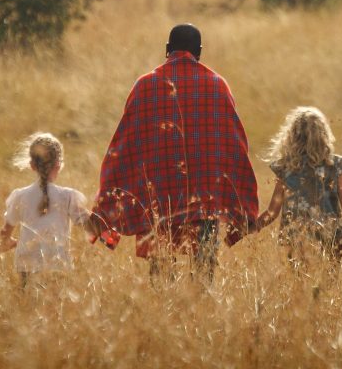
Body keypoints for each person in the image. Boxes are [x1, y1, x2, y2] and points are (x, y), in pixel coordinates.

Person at [90, 24, 258, 282]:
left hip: (159, 199)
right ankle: (201, 313)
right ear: (199, 52)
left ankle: (163, 317)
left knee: (161, 271)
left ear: (167, 50)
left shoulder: (145, 85)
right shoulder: (217, 85)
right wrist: (241, 201)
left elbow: (124, 144)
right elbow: (234, 144)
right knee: (204, 270)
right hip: (204, 200)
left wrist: (108, 201)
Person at [257, 107, 342, 279]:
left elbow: (272, 212)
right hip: (331, 235)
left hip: (296, 235)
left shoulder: (287, 168)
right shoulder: (335, 165)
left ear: (291, 137)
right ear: (324, 136)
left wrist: (250, 228)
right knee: (329, 284)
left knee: (300, 284)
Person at [0, 132, 97, 290]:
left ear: (32, 165)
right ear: (59, 165)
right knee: (55, 306)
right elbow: (89, 226)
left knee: (27, 304)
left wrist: (8, 241)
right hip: (57, 262)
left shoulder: (19, 196)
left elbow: (6, 230)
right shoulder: (68, 196)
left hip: (27, 263)